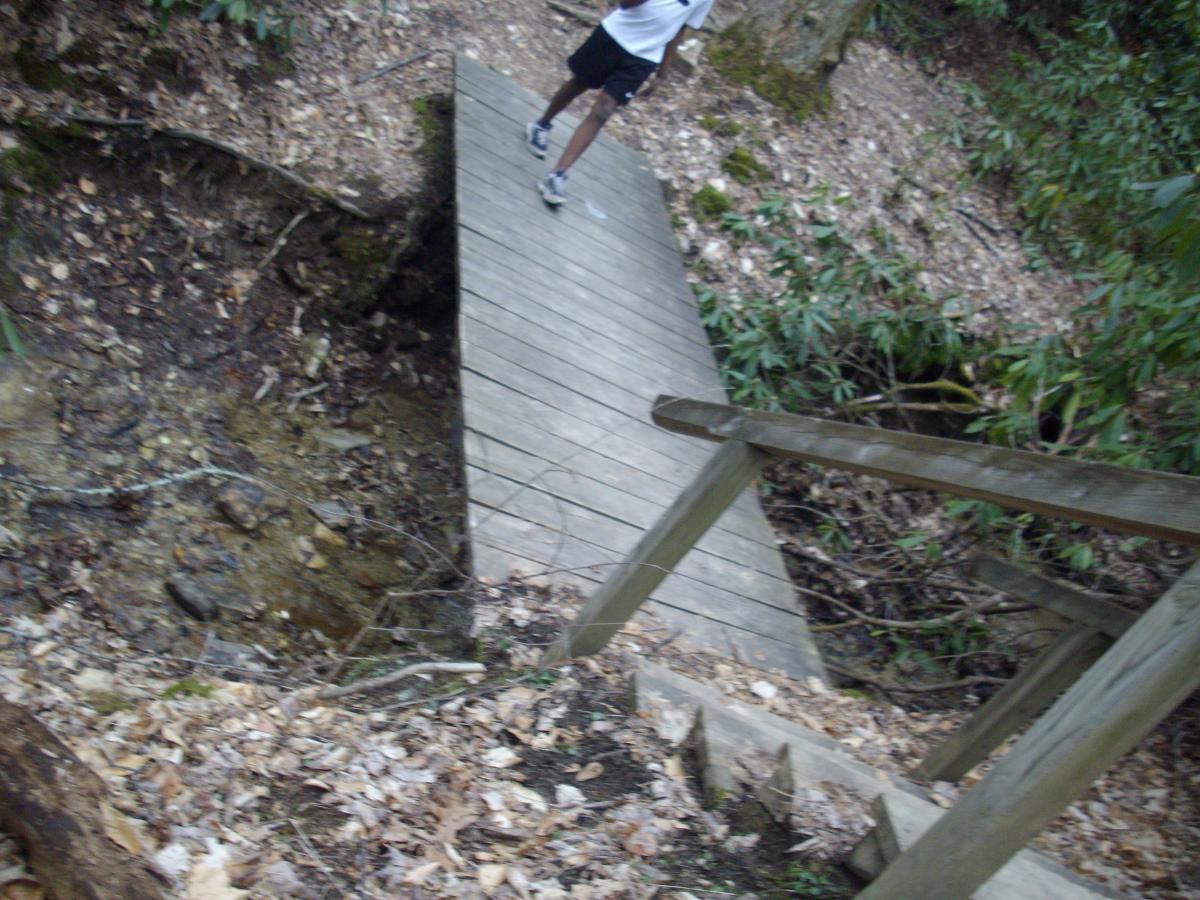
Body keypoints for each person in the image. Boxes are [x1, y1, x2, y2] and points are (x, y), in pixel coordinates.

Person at [526, 0, 715, 206]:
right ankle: (542, 124)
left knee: (603, 111)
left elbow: (681, 28)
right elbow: (625, 4)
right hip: (614, 36)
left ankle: (558, 175)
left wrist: (662, 72)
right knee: (579, 83)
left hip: (644, 57)